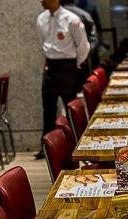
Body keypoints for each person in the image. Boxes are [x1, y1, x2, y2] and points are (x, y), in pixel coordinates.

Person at [35, 0, 90, 159]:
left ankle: (77, 144)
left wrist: (75, 65)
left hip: (68, 67)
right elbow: (43, 42)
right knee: (48, 109)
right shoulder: (41, 19)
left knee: (71, 109)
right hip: (50, 67)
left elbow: (83, 46)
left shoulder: (72, 19)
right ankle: (46, 147)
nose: (41, 1)